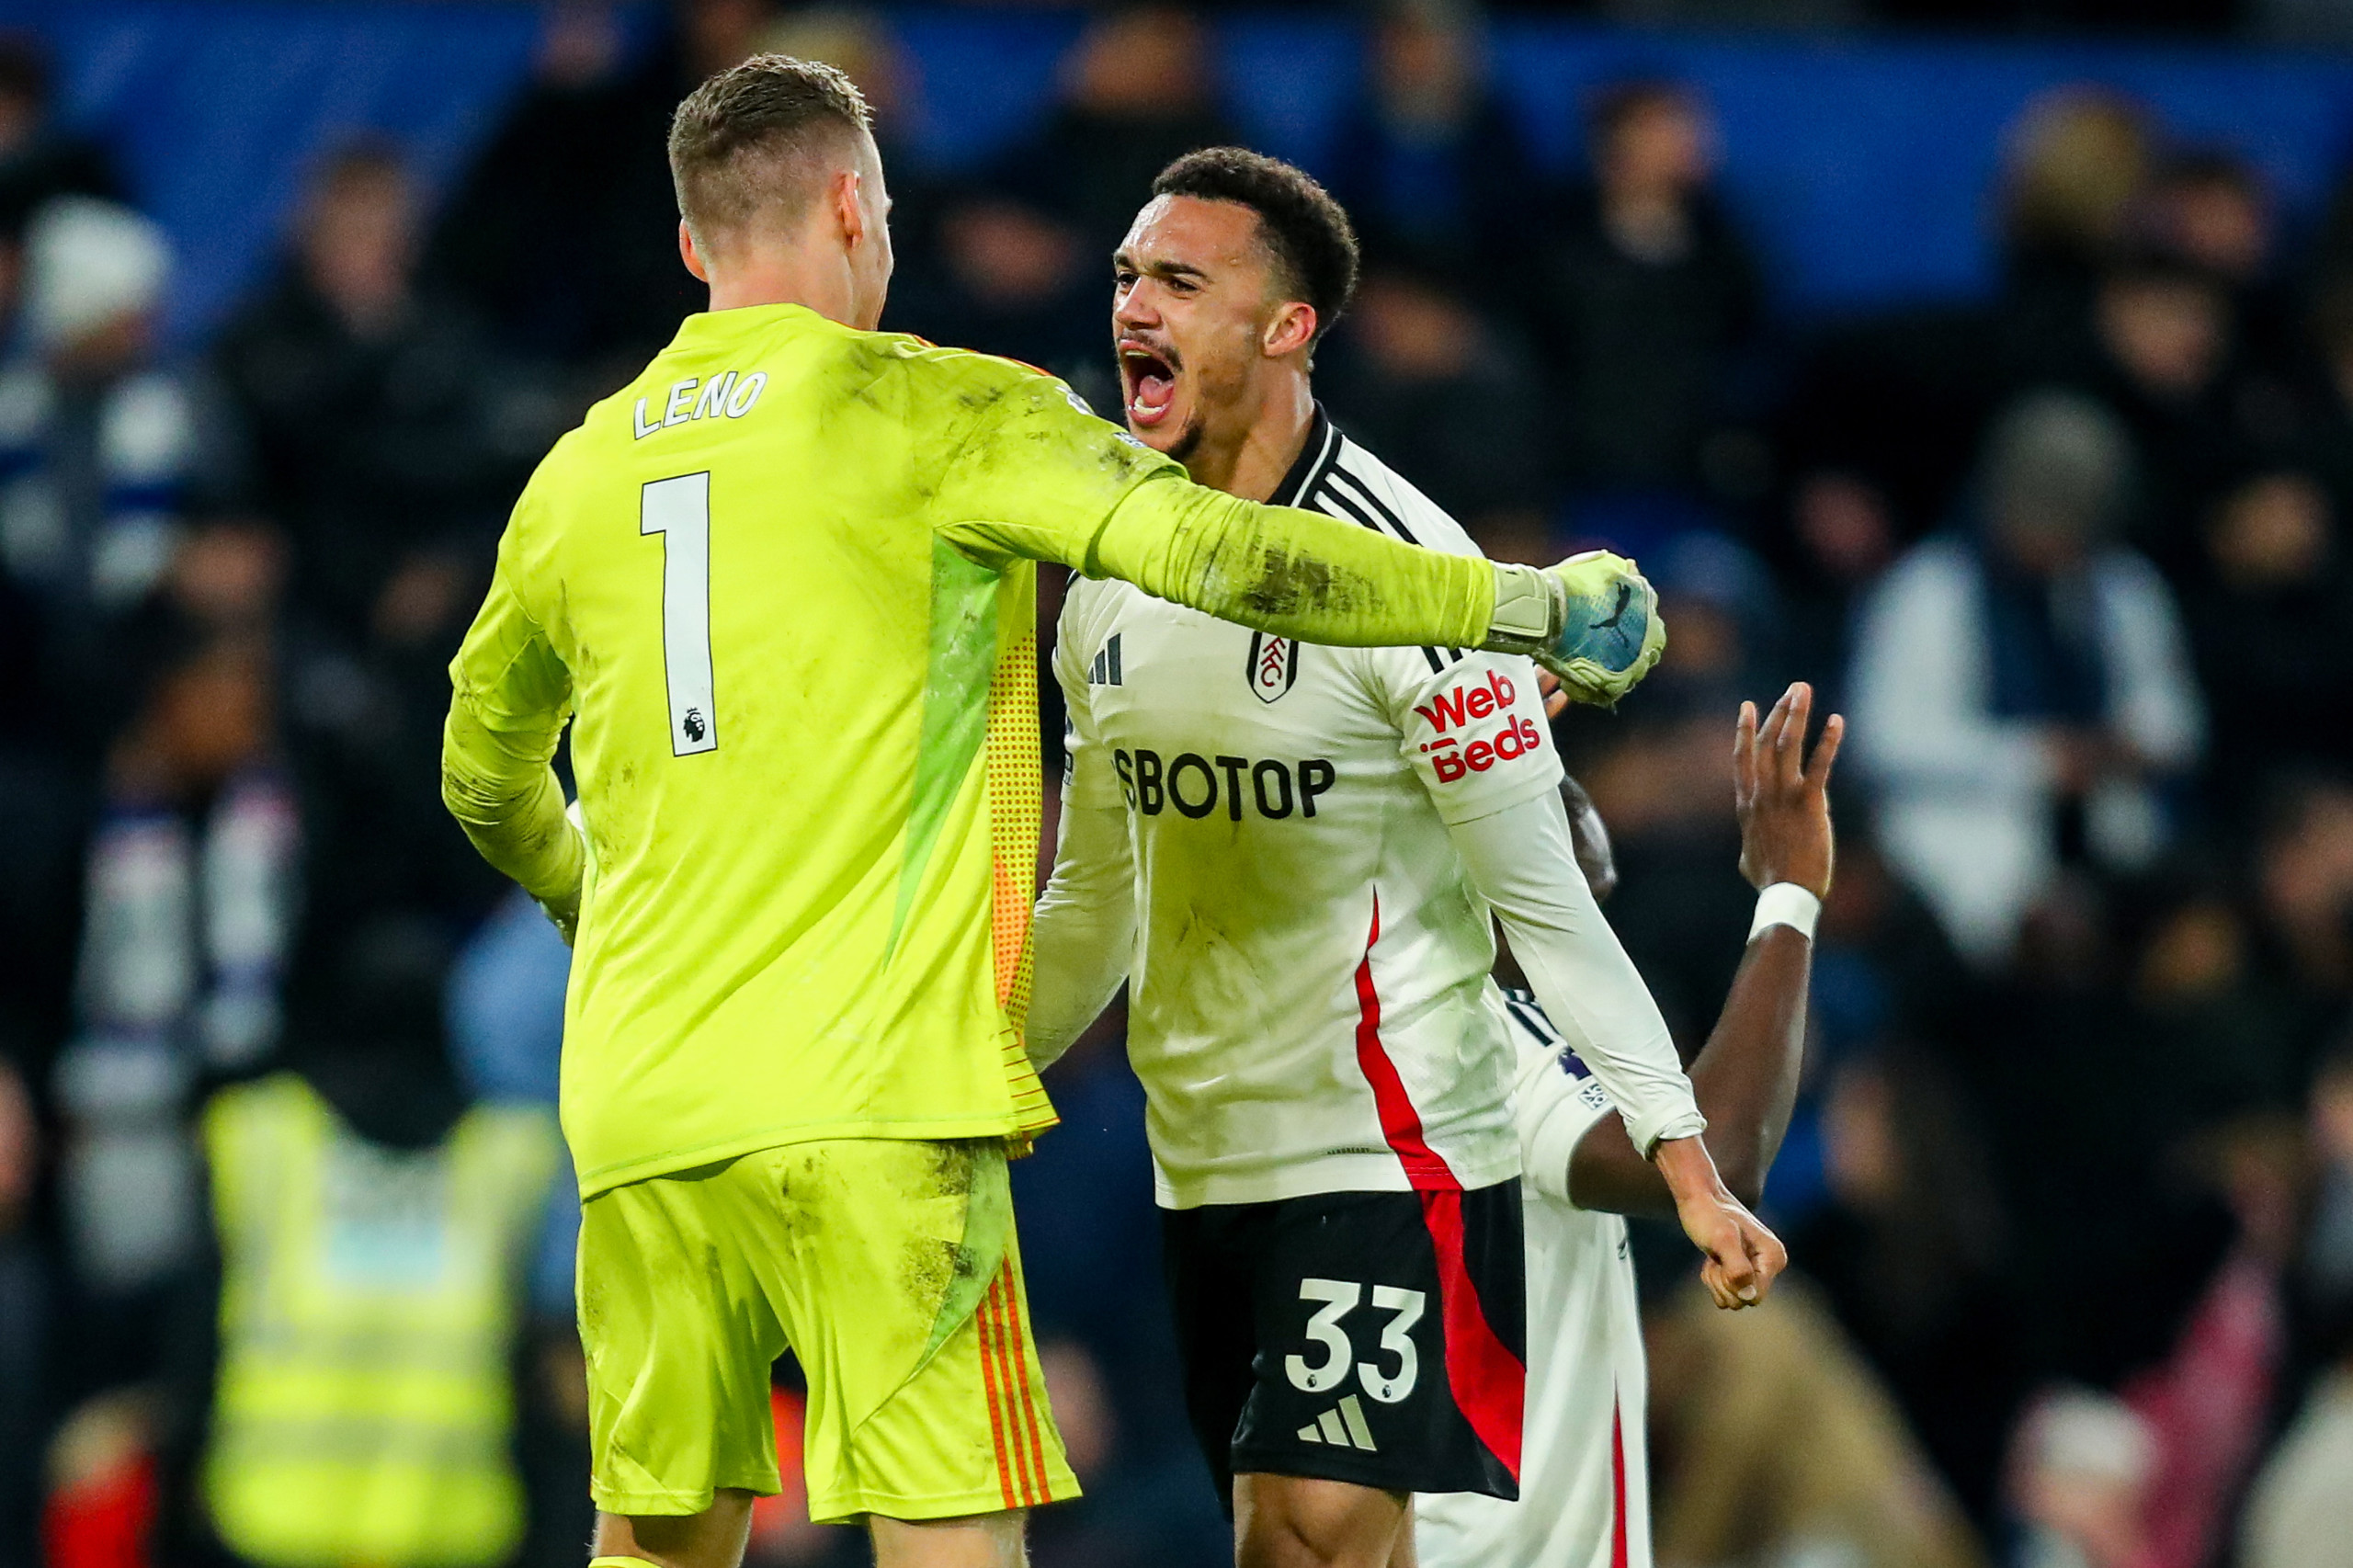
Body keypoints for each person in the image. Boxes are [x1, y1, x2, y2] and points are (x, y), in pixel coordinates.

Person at [439, 56, 1664, 1568]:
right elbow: (1236, 560)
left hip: (642, 1110)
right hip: (876, 1107)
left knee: (655, 1541)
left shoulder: (574, 476)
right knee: (950, 1539)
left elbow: (482, 776)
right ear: (850, 207)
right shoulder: (941, 412)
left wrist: (589, 900)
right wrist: (1521, 604)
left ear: (697, 246)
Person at [1024, 147, 1779, 1568]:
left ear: (1287, 325)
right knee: (1281, 1537)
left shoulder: (1408, 575)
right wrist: (990, 1067)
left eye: (1181, 280)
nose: (1135, 304)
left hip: (1396, 1148)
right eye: (1128, 274)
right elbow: (1096, 897)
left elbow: (1549, 906)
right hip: (1203, 1158)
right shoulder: (1107, 574)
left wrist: (1683, 1160)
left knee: (1308, 1539)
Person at [1417, 682, 1840, 1568]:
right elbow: (1722, 1162)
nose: (1566, 793)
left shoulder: (1377, 1011)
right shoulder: (1479, 1037)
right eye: (1529, 782)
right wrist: (1791, 893)